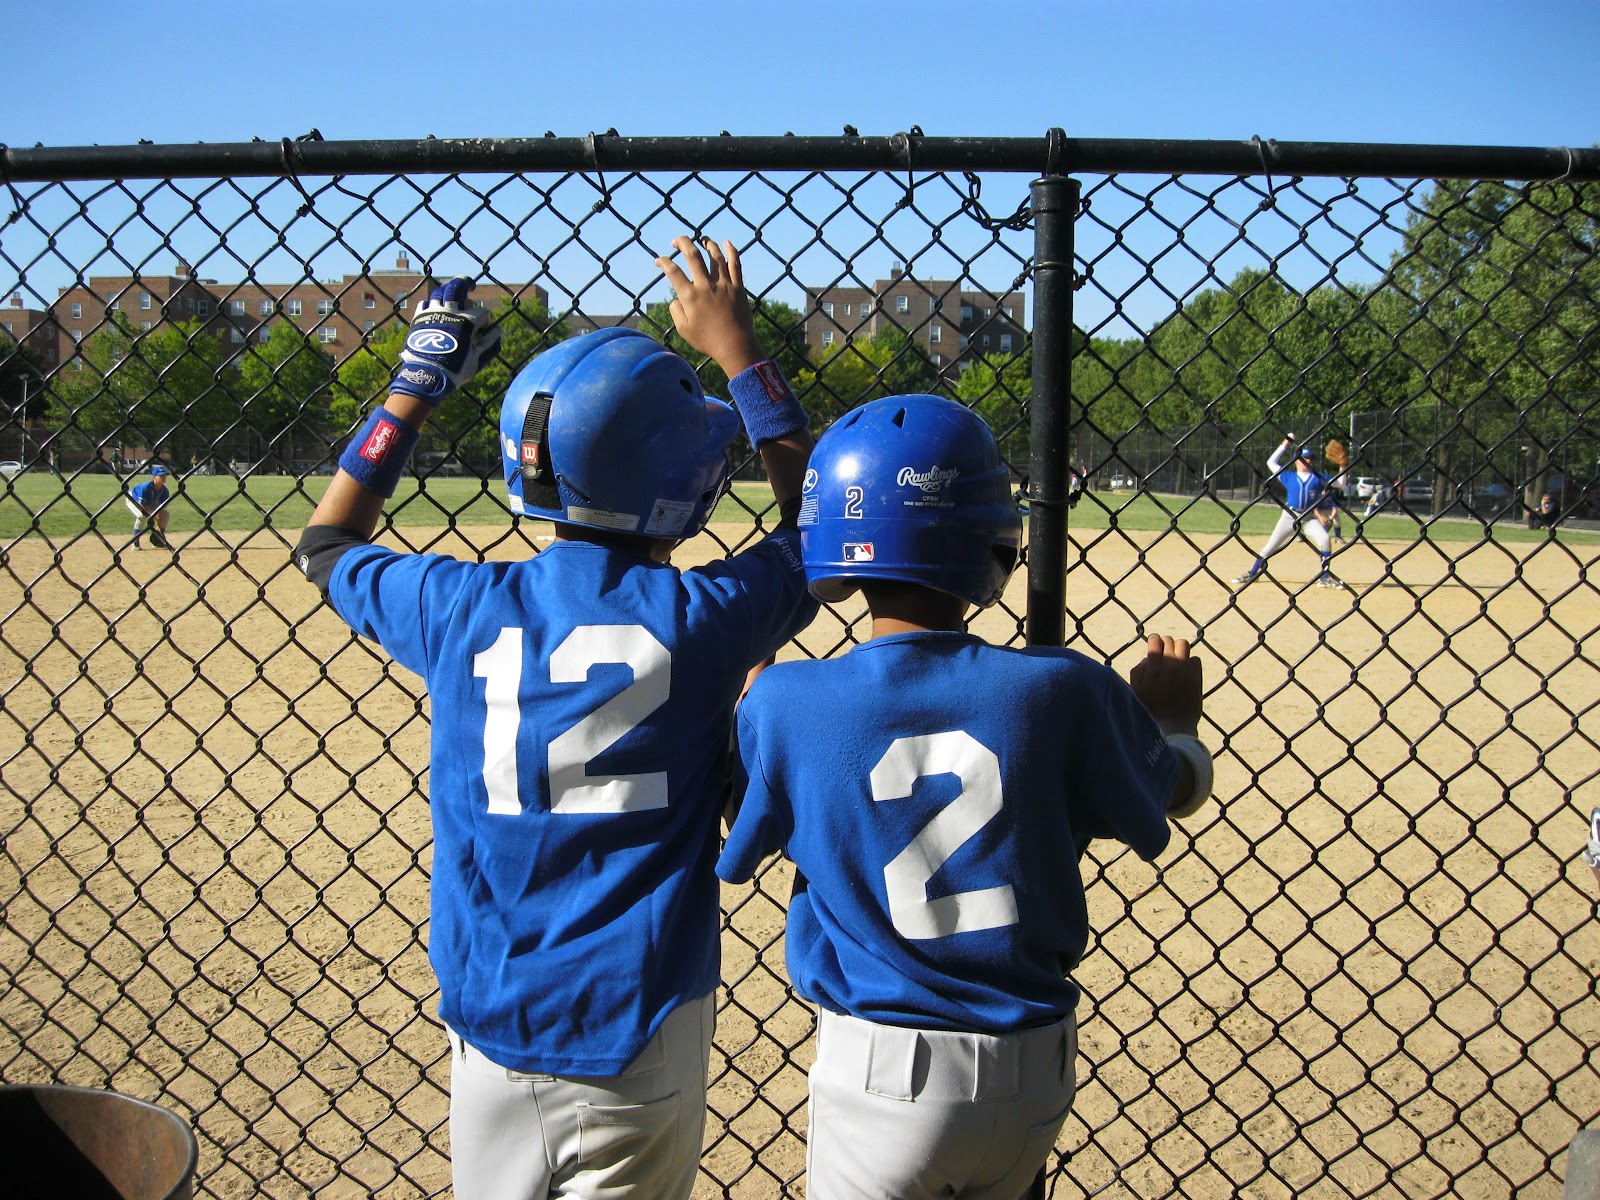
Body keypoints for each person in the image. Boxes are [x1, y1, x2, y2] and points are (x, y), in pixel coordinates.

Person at [293, 237, 817, 1200]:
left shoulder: (455, 608)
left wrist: (415, 385)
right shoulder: (705, 619)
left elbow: (328, 541)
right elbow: (815, 531)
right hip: (639, 1024)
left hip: (488, 1024)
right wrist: (742, 356)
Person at [716, 394, 1213, 1200]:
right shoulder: (1063, 690)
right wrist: (1173, 720)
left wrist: (746, 708)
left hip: (884, 1074)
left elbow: (747, 829)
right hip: (1033, 1074)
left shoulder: (788, 702)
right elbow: (1173, 791)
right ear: (994, 542)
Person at [1232, 436, 1345, 590]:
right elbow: (1271, 462)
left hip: (1309, 518)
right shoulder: (1288, 476)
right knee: (1271, 546)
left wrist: (1342, 466)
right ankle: (1252, 572)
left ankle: (1324, 578)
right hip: (1289, 517)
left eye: (1311, 458)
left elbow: (1340, 483)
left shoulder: (1318, 478)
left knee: (1325, 538)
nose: (1309, 461)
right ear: (1297, 460)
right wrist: (1285, 443)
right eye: (1305, 458)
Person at [126, 463, 173, 549]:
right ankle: (135, 541)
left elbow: (160, 509)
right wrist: (152, 516)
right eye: (161, 476)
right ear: (154, 477)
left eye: (165, 476)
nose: (163, 478)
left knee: (165, 515)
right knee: (142, 516)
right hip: (133, 500)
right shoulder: (146, 487)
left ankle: (158, 537)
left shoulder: (165, 491)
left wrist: (158, 522)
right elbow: (141, 506)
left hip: (149, 503)